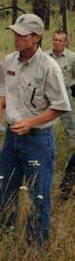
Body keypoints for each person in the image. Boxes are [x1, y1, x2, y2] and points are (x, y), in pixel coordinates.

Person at [0, 13, 70, 246]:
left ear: (36, 37)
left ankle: (34, 248)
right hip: (11, 138)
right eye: (15, 33)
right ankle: (3, 239)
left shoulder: (49, 67)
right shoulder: (8, 62)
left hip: (38, 140)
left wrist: (31, 123)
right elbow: (7, 93)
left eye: (22, 35)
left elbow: (60, 107)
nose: (17, 38)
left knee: (38, 195)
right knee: (5, 188)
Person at [46, 30, 75, 200]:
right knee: (47, 125)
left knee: (71, 129)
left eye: (60, 40)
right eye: (54, 40)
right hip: (49, 95)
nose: (56, 43)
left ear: (66, 42)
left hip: (66, 96)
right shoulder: (45, 56)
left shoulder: (71, 57)